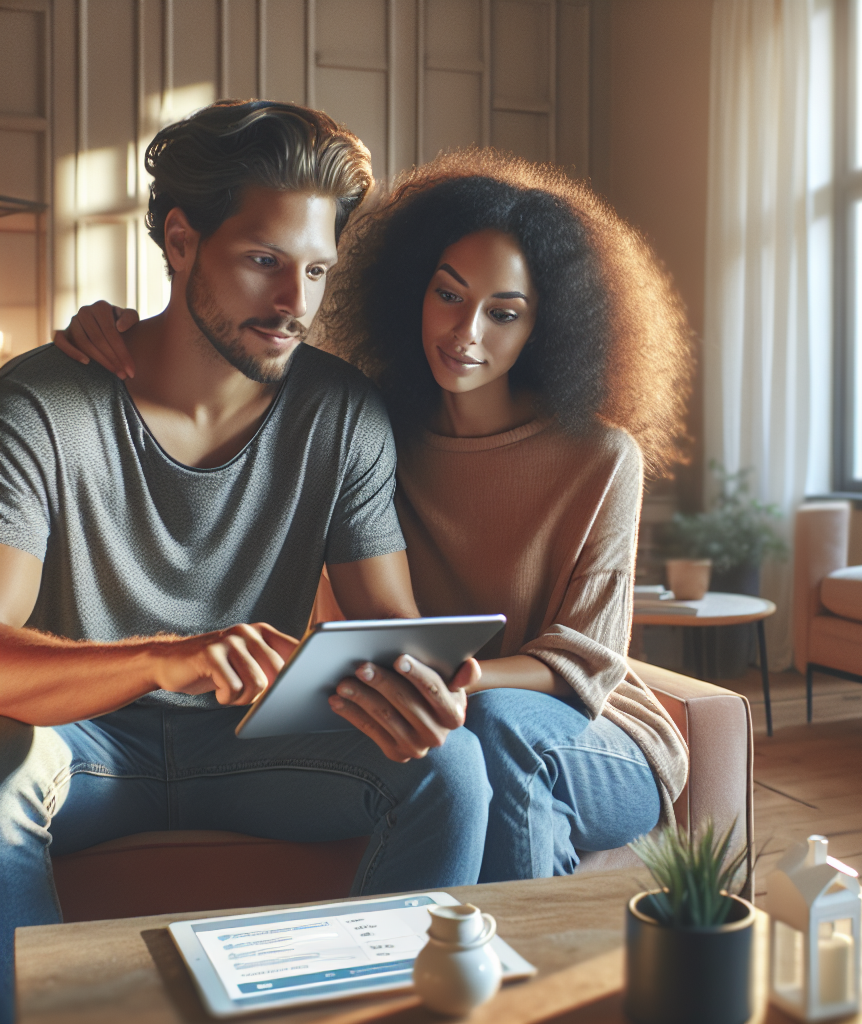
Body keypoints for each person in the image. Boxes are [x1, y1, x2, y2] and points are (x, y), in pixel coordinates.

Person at [64, 149, 695, 885]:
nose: (468, 334)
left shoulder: (601, 457)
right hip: (441, 706)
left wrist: (462, 682)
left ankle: (507, 989)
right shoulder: (373, 429)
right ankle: (496, 965)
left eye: (505, 313)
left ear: (545, 327)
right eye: (449, 296)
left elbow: (589, 662)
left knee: (490, 731)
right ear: (412, 291)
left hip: (591, 737)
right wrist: (109, 327)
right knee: (463, 749)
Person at [0, 101, 490, 1024]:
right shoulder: (40, 404)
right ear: (181, 242)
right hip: (85, 749)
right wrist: (163, 657)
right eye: (264, 261)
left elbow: (391, 630)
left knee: (449, 766)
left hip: (257, 744)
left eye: (314, 270)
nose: (294, 304)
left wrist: (424, 688)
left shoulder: (343, 415)